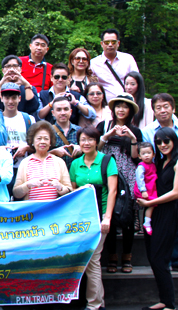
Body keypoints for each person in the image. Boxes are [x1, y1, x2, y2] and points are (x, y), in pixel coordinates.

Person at [141, 93, 178, 273]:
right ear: (153, 111)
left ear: (173, 108)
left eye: (166, 106)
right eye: (158, 107)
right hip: (159, 180)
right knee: (161, 221)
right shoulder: (148, 131)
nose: (162, 110)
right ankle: (161, 258)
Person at [137, 127, 178, 310]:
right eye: (158, 142)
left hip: (167, 213)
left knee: (160, 259)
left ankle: (170, 304)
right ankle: (164, 300)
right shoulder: (159, 162)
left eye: (166, 141)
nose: (162, 145)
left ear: (174, 140)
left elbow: (176, 193)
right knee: (153, 258)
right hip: (153, 212)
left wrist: (150, 202)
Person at [70, 126, 118, 310]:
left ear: (97, 141)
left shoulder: (107, 160)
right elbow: (73, 191)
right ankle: (98, 303)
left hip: (101, 215)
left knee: (93, 259)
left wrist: (107, 218)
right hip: (83, 217)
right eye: (83, 140)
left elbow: (112, 191)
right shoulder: (75, 164)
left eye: (90, 139)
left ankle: (94, 305)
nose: (86, 143)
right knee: (91, 260)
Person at [97, 93, 142, 274]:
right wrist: (108, 135)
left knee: (128, 215)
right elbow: (96, 149)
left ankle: (127, 256)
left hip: (128, 173)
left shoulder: (135, 130)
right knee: (110, 214)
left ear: (130, 110)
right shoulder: (103, 126)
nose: (121, 110)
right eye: (118, 106)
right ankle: (112, 256)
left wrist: (133, 139)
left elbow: (136, 157)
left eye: (125, 107)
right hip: (109, 171)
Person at [13, 121, 71, 201]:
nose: (42, 141)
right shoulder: (25, 162)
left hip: (56, 208)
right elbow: (16, 193)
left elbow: (69, 190)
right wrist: (28, 185)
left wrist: (60, 187)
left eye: (46, 138)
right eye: (39, 138)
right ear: (32, 141)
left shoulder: (59, 162)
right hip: (33, 208)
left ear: (50, 142)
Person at [90, 28, 140, 102]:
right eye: (107, 42)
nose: (110, 45)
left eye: (113, 42)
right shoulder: (93, 63)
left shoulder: (128, 59)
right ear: (102, 44)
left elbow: (137, 81)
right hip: (104, 105)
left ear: (118, 43)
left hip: (127, 103)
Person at [47, 96, 82, 168]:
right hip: (55, 172)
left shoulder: (80, 131)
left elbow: (92, 153)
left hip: (76, 172)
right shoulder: (47, 132)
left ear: (71, 112)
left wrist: (82, 149)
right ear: (53, 113)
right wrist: (53, 152)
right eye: (59, 110)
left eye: (66, 109)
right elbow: (39, 155)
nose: (63, 113)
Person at [134, 142, 158, 234]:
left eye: (149, 153)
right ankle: (146, 223)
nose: (146, 155)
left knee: (153, 204)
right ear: (139, 156)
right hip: (145, 189)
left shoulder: (153, 165)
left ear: (153, 154)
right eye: (143, 154)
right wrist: (143, 190)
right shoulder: (141, 166)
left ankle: (147, 221)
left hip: (151, 188)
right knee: (151, 204)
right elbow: (139, 179)